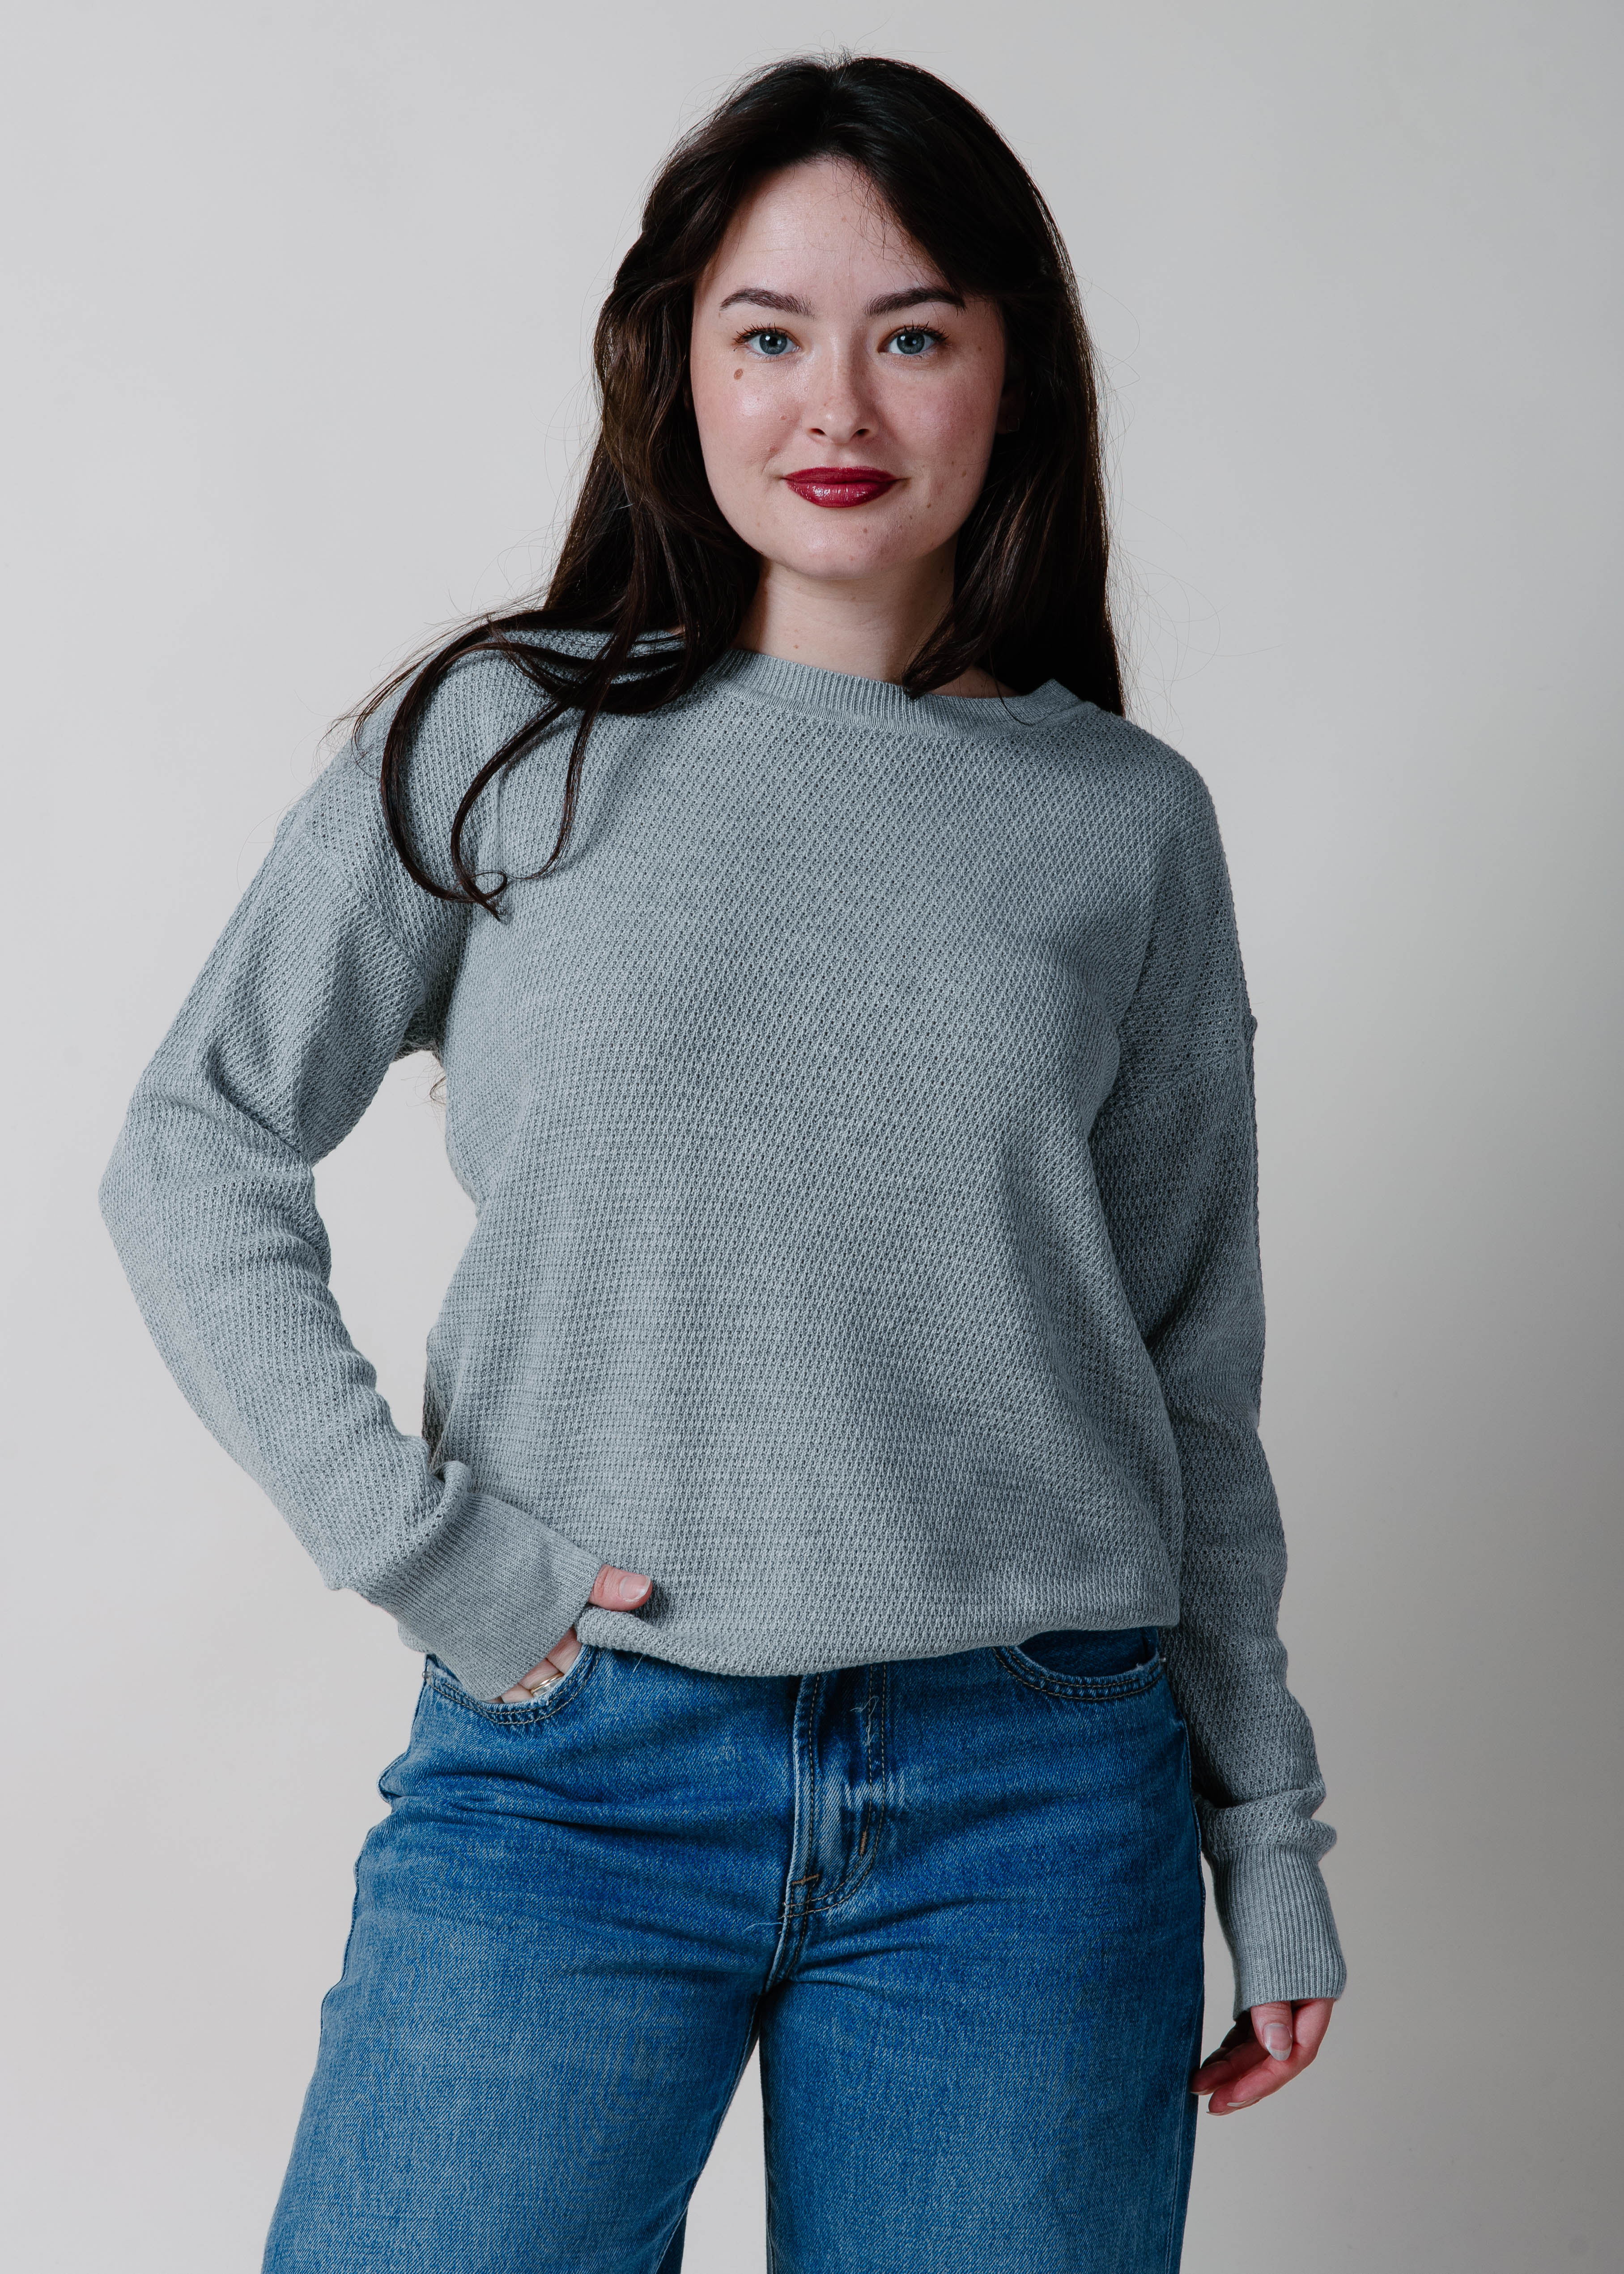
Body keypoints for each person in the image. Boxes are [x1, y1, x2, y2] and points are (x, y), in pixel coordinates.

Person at [99, 52, 1344, 2274]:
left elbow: (1185, 1366)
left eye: (912, 333)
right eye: (767, 333)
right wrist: (416, 1541)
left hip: (1029, 1800)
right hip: (571, 1772)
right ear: (678, 365)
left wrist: (1261, 1818)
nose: (832, 402)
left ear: (1011, 376)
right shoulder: (503, 740)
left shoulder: (1124, 826)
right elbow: (195, 1141)